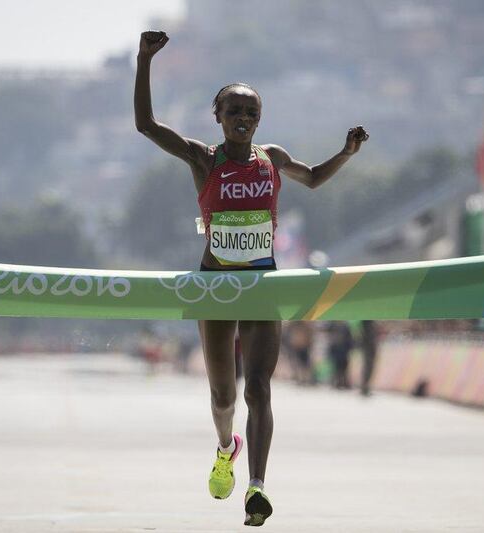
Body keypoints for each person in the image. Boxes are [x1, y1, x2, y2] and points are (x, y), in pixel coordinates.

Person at [134, 30, 368, 527]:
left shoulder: (273, 158)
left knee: (258, 387)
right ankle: (226, 448)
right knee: (223, 396)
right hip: (216, 286)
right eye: (235, 112)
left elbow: (316, 178)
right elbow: (146, 125)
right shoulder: (204, 158)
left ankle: (258, 488)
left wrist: (345, 152)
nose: (244, 120)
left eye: (252, 114)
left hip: (263, 284)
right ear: (217, 117)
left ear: (260, 121)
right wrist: (144, 60)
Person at [327, 321, 353, 390]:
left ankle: (343, 382)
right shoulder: (332, 325)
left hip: (343, 351)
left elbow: (349, 339)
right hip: (336, 350)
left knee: (344, 367)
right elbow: (330, 337)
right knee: (337, 367)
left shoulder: (345, 326)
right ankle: (337, 382)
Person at [359, 320, 380, 397]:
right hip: (368, 345)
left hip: (369, 345)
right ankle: (364, 387)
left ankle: (365, 387)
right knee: (368, 367)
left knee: (368, 367)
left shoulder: (368, 323)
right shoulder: (366, 322)